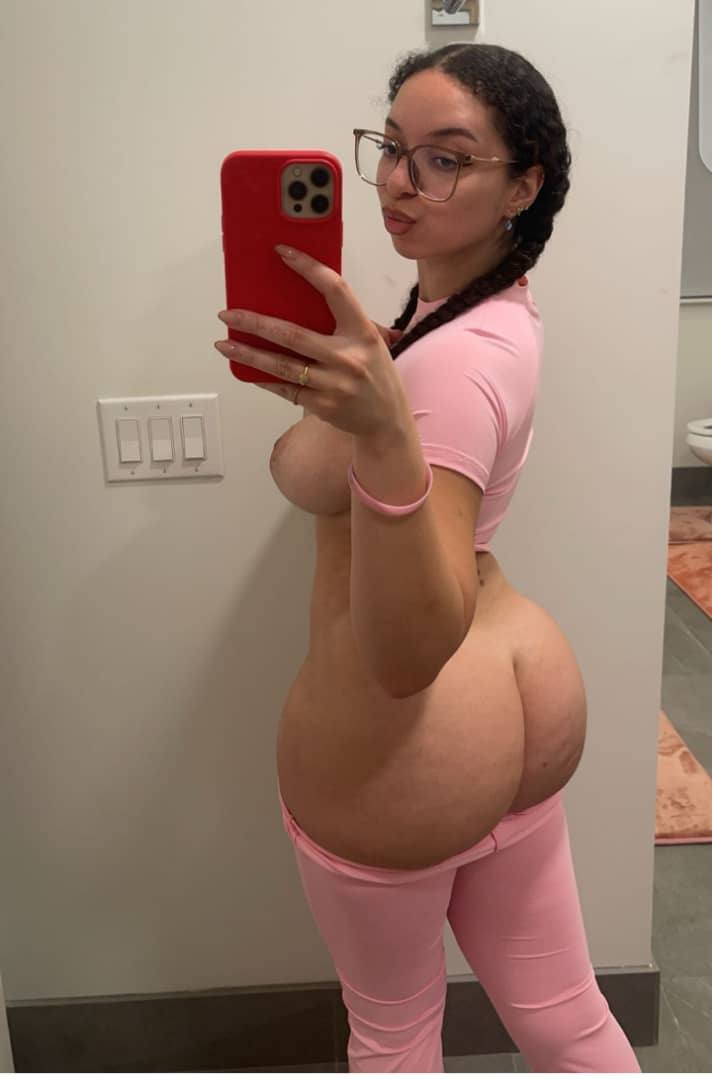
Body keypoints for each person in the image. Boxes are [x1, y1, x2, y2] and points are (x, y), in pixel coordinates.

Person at [237, 42, 642, 1074]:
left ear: (524, 185)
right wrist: (345, 395)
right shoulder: (469, 314)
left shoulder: (449, 361)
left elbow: (407, 653)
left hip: (414, 746)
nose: (399, 182)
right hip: (503, 711)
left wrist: (378, 433)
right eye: (391, 148)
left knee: (393, 1036)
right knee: (565, 1019)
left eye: (446, 159)